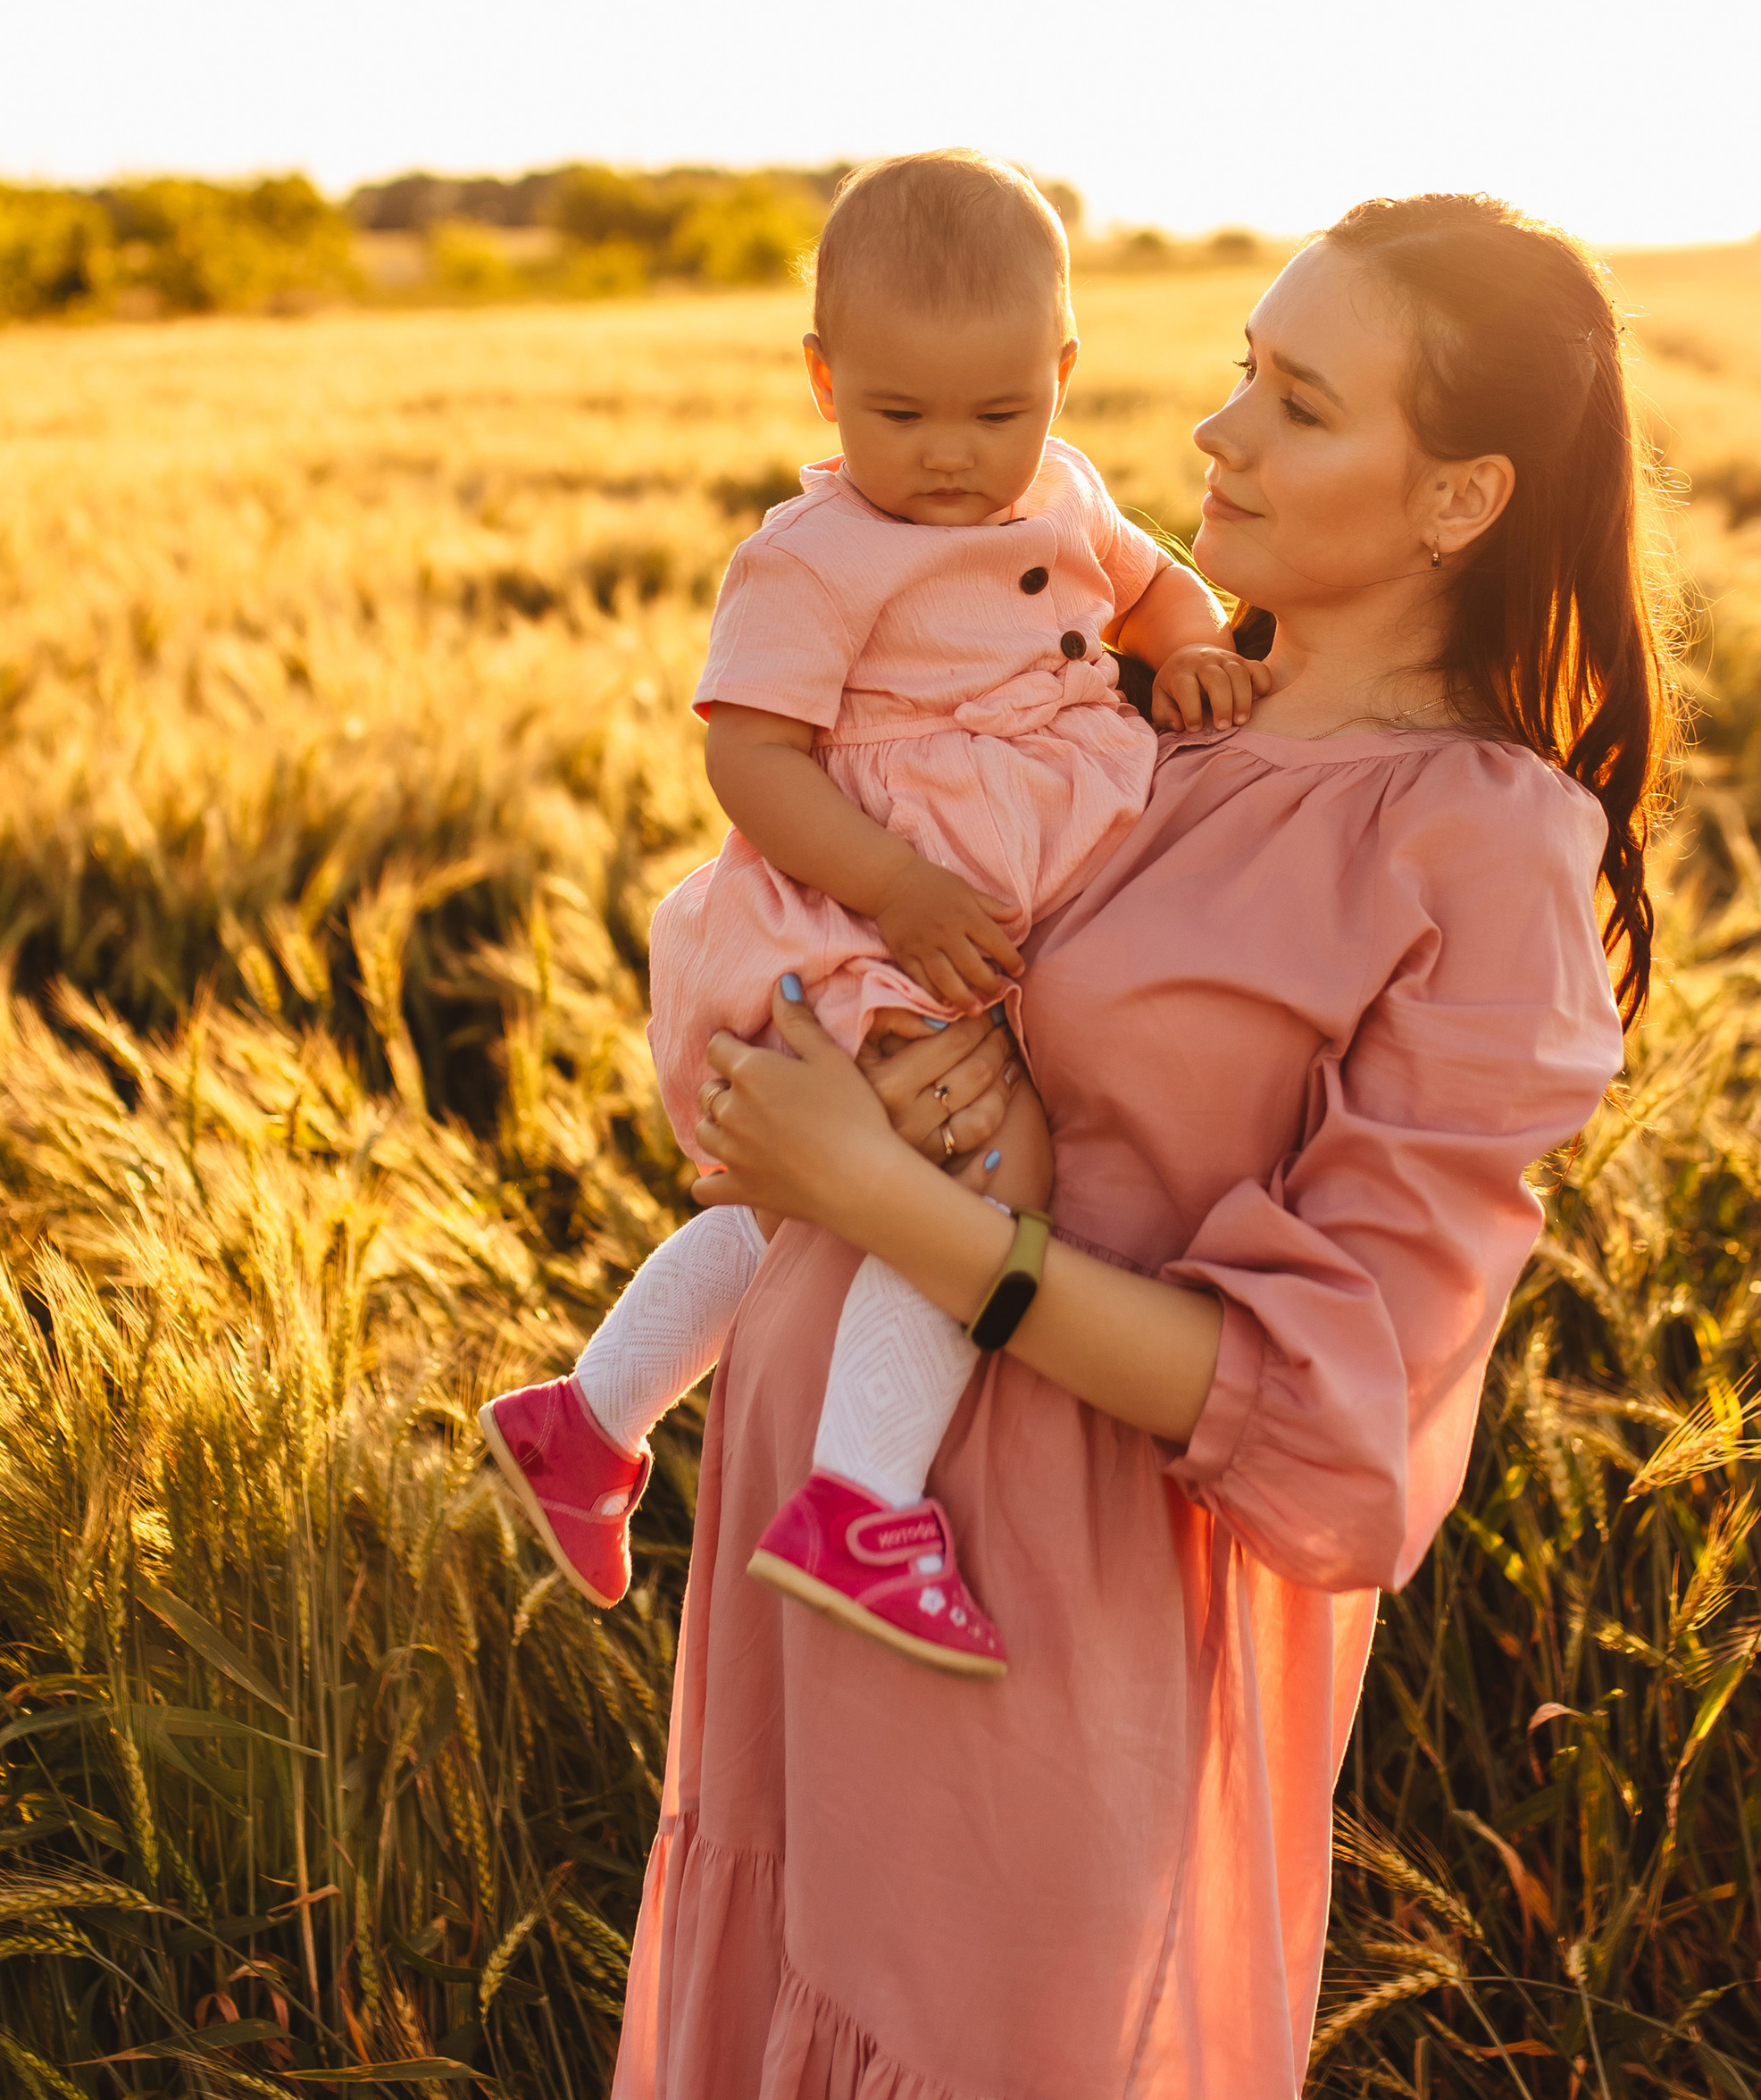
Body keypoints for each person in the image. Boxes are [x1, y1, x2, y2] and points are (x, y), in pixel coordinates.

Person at [603, 192, 1672, 2100]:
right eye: (1232, 369)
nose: (1207, 432)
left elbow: (1337, 1437)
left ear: (1460, 495)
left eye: (1293, 402)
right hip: (819, 1572)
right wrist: (782, 1072)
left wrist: (904, 1203)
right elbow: (746, 903)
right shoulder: (1131, 687)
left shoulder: (1473, 851)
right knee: (785, 2091)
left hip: (1043, 1639)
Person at [481, 151, 1250, 1673]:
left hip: (973, 898)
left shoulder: (1069, 488)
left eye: (1000, 411)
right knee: (985, 1166)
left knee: (805, 1213)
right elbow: (748, 757)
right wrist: (895, 889)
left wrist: (1201, 644)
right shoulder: (809, 556)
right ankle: (860, 1504)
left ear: (1064, 374)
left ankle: (585, 1421)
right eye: (902, 415)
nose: (958, 458)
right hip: (862, 901)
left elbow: (1156, 590)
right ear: (825, 384)